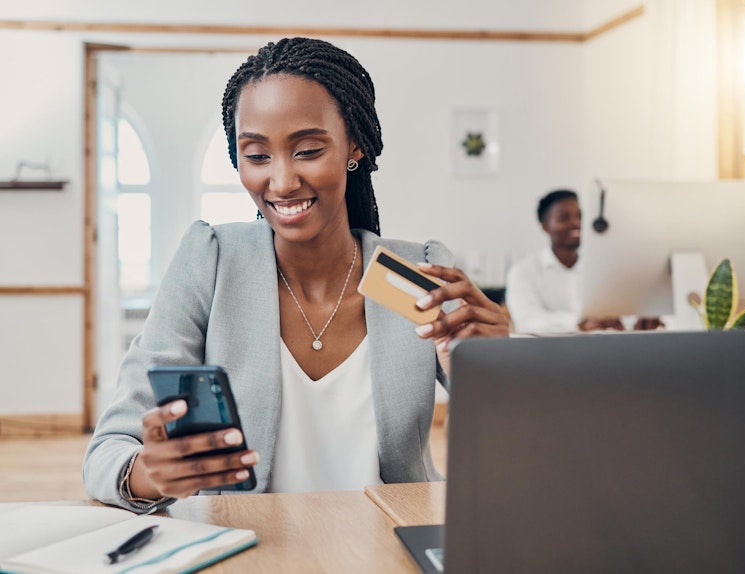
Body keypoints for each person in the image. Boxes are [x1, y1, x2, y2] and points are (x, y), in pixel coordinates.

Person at [83, 37, 509, 512]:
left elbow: (517, 450)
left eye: (307, 150)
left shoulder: (412, 274)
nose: (282, 182)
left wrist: (500, 373)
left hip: (391, 545)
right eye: (258, 156)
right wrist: (149, 472)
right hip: (247, 548)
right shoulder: (212, 262)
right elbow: (106, 454)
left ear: (355, 146)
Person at [504, 189, 662, 334]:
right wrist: (580, 323)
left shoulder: (602, 267)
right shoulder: (523, 272)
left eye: (580, 216)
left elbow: (622, 310)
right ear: (545, 226)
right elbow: (528, 322)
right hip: (551, 355)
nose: (576, 223)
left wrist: (638, 321)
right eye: (564, 217)